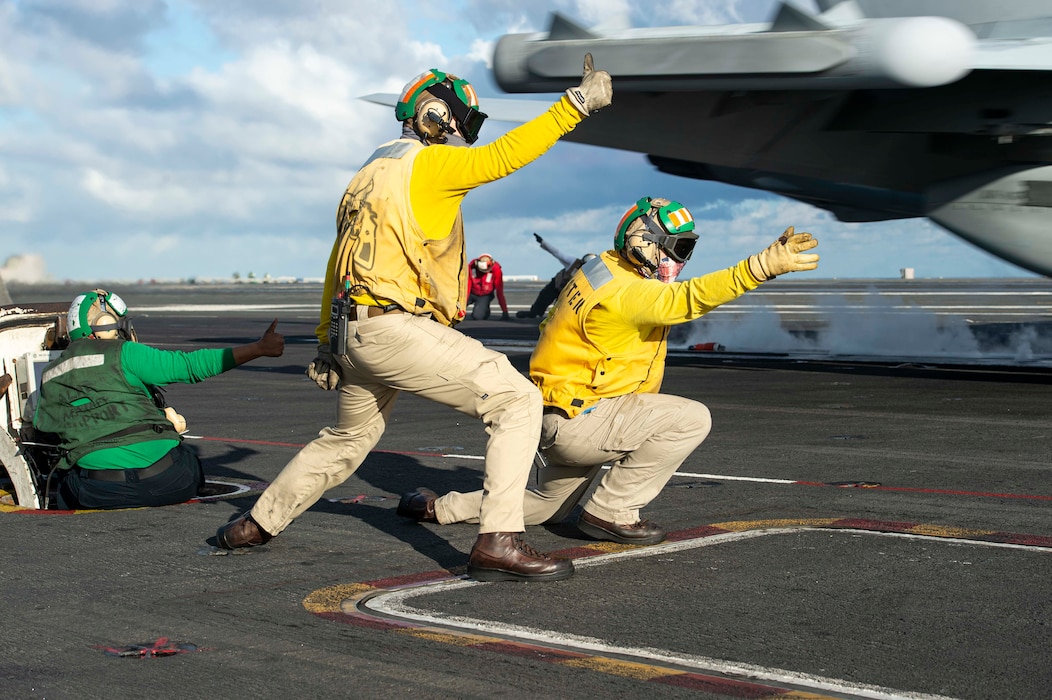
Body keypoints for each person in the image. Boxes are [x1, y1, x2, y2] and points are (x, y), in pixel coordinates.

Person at [214, 55, 613, 583]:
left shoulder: (367, 174)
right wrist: (576, 105)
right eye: (459, 124)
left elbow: (339, 263)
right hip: (391, 328)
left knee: (347, 439)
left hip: (353, 329)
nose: (460, 139)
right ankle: (498, 539)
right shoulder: (426, 166)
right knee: (517, 399)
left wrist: (327, 342)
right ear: (435, 115)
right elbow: (504, 157)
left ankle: (257, 523)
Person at [397, 197, 819, 545]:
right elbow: (688, 300)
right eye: (675, 246)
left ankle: (438, 507)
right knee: (691, 418)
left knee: (547, 505)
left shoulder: (602, 268)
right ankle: (610, 511)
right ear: (645, 242)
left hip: (557, 416)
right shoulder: (628, 289)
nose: (678, 257)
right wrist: (761, 267)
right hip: (585, 419)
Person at [32, 289, 285, 510]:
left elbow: (44, 431)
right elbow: (192, 366)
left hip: (98, 491)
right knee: (187, 456)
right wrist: (259, 348)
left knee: (64, 484)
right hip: (168, 482)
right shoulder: (126, 353)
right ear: (107, 325)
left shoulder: (51, 375)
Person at [517, 233, 594, 319]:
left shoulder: (591, 273)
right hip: (557, 284)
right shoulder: (573, 262)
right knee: (544, 296)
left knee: (563, 307)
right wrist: (543, 242)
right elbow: (557, 253)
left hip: (568, 291)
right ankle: (534, 313)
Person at [467, 253, 509, 321]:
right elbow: (467, 285)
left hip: (485, 295)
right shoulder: (471, 267)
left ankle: (485, 309)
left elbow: (499, 291)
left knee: (478, 317)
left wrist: (505, 312)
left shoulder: (496, 269)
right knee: (455, 309)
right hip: (471, 292)